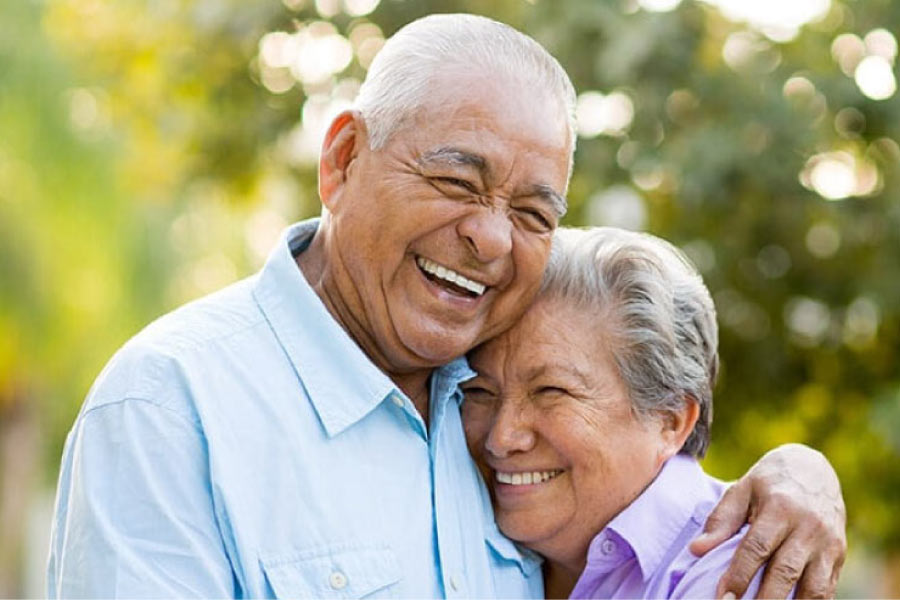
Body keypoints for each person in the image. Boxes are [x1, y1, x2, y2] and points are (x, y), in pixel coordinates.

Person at [47, 13, 845, 599]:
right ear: (344, 160)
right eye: (457, 181)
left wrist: (800, 474)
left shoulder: (491, 398)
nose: (493, 238)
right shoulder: (171, 409)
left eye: (534, 213)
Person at [462, 226, 846, 599]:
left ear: (670, 420)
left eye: (551, 391)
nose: (501, 438)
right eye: (479, 390)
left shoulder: (740, 570)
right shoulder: (467, 527)